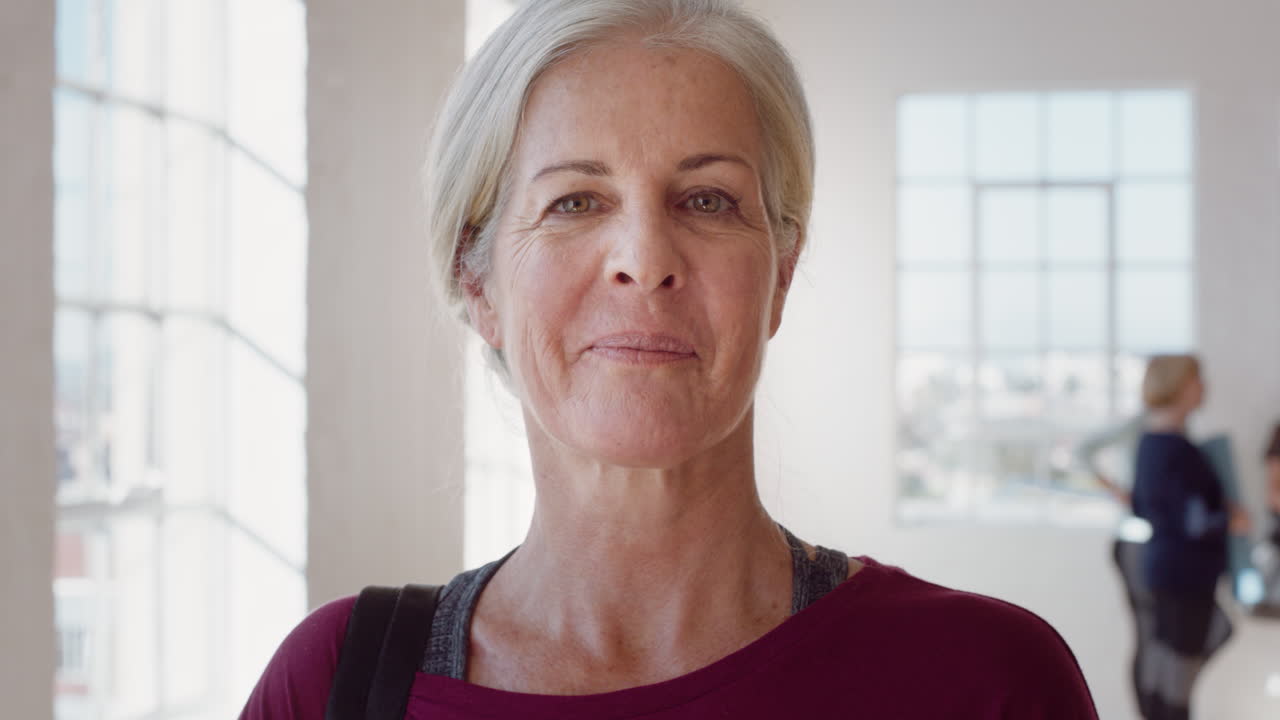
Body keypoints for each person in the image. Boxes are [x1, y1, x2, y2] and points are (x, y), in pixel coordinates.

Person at [239, 1, 1097, 717]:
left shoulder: (987, 681)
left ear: (782, 272)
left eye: (706, 199)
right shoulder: (330, 685)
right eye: (575, 200)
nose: (645, 258)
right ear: (478, 279)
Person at [1130, 355, 1249, 720]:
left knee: (1169, 662)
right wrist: (1231, 518)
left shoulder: (1150, 442)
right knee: (1180, 667)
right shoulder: (1178, 450)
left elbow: (1141, 505)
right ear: (1180, 386)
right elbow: (1194, 521)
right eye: (1198, 379)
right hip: (1186, 574)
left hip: (1166, 569)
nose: (1204, 387)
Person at [1076, 412, 1155, 716]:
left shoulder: (1174, 429)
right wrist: (1117, 490)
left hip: (1158, 543)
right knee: (1147, 635)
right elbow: (1084, 451)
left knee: (1161, 639)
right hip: (1135, 539)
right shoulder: (1141, 425)